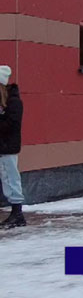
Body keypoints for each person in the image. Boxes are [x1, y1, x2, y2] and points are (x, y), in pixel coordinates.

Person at [0, 65, 25, 228]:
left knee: (11, 178)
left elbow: (12, 125)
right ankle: (16, 214)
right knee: (6, 178)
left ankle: (17, 214)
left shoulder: (14, 102)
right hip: (3, 146)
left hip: (8, 147)